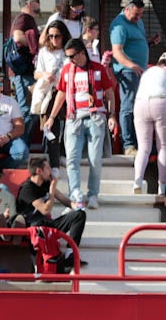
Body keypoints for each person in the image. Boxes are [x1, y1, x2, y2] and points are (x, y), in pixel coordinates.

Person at [45, 38, 117, 211]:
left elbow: (109, 93)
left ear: (82, 53)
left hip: (95, 117)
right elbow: (61, 94)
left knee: (95, 160)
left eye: (72, 56)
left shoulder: (98, 69)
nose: (70, 59)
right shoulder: (67, 70)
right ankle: (75, 193)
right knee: (72, 159)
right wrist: (52, 117)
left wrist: (112, 114)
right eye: (68, 56)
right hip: (73, 117)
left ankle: (92, 194)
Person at [108, 0, 150, 156]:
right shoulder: (119, 25)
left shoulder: (137, 21)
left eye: (140, 14)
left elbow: (136, 41)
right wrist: (131, 65)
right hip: (128, 71)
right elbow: (117, 52)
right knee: (128, 106)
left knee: (140, 107)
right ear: (127, 9)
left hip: (140, 71)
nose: (138, 18)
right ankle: (128, 144)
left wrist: (150, 42)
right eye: (135, 14)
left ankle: (138, 141)